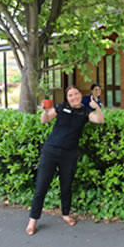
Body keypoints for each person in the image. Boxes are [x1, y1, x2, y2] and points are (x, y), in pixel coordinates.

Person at [25, 85, 104, 235]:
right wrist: (44, 111)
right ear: (67, 98)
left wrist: (96, 107)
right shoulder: (61, 107)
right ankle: (32, 221)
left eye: (76, 93)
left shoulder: (85, 111)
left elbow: (99, 120)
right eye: (70, 95)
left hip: (69, 153)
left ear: (80, 95)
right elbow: (45, 120)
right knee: (42, 185)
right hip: (51, 150)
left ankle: (65, 214)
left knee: (66, 185)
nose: (74, 97)